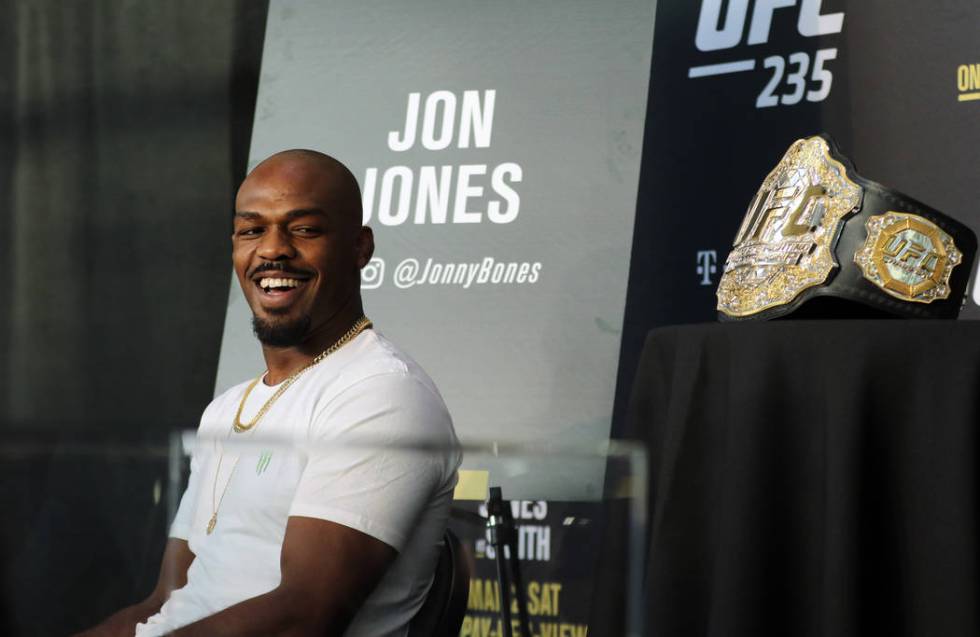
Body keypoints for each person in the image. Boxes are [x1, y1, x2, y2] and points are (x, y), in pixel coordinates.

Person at [76, 149, 461, 636]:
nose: (273, 249)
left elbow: (305, 616)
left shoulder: (381, 393)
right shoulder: (225, 410)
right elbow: (164, 603)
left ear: (360, 248)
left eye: (303, 229)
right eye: (252, 230)